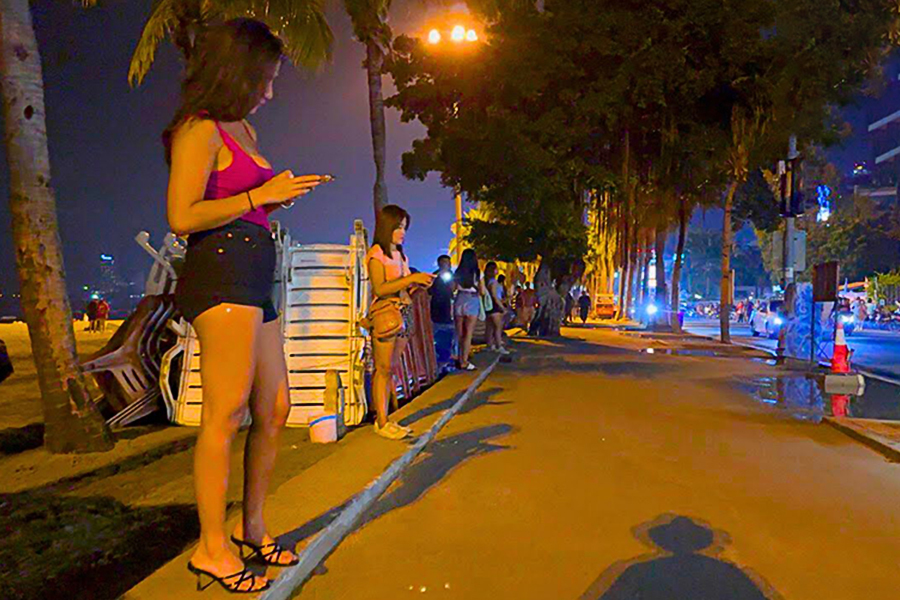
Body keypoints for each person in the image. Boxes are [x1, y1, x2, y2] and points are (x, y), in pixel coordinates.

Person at [166, 19, 326, 593]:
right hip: (223, 270)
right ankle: (210, 548)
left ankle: (252, 526)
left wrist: (272, 198)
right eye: (266, 78)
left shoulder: (245, 129)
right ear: (239, 70)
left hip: (256, 268)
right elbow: (182, 217)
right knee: (226, 412)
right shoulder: (199, 129)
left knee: (277, 406)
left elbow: (242, 202)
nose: (270, 91)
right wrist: (261, 194)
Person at [367, 205, 434, 440]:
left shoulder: (400, 254)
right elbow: (380, 288)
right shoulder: (377, 253)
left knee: (392, 368)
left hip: (403, 313)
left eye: (404, 227)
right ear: (388, 227)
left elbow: (402, 285)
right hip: (386, 314)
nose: (402, 232)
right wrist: (411, 278)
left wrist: (416, 283)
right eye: (398, 227)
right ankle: (381, 421)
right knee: (383, 369)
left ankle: (386, 417)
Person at [454, 248, 482, 371]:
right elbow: (482, 291)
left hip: (460, 298)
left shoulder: (458, 272)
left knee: (459, 333)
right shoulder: (477, 272)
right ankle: (464, 361)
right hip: (472, 299)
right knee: (468, 333)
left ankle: (459, 358)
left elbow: (453, 288)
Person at [430, 254, 457, 371]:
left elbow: (453, 289)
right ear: (440, 263)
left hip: (448, 309)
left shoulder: (451, 276)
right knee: (439, 336)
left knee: (448, 336)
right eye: (445, 263)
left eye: (449, 263)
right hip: (436, 310)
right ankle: (439, 363)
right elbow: (429, 291)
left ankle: (447, 361)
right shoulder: (434, 276)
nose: (448, 265)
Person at [484, 262, 510, 354]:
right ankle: (499, 346)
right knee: (498, 327)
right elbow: (495, 296)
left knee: (490, 327)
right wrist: (502, 307)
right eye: (496, 269)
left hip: (488, 306)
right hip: (495, 306)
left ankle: (490, 345)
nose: (497, 270)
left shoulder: (486, 281)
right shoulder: (494, 282)